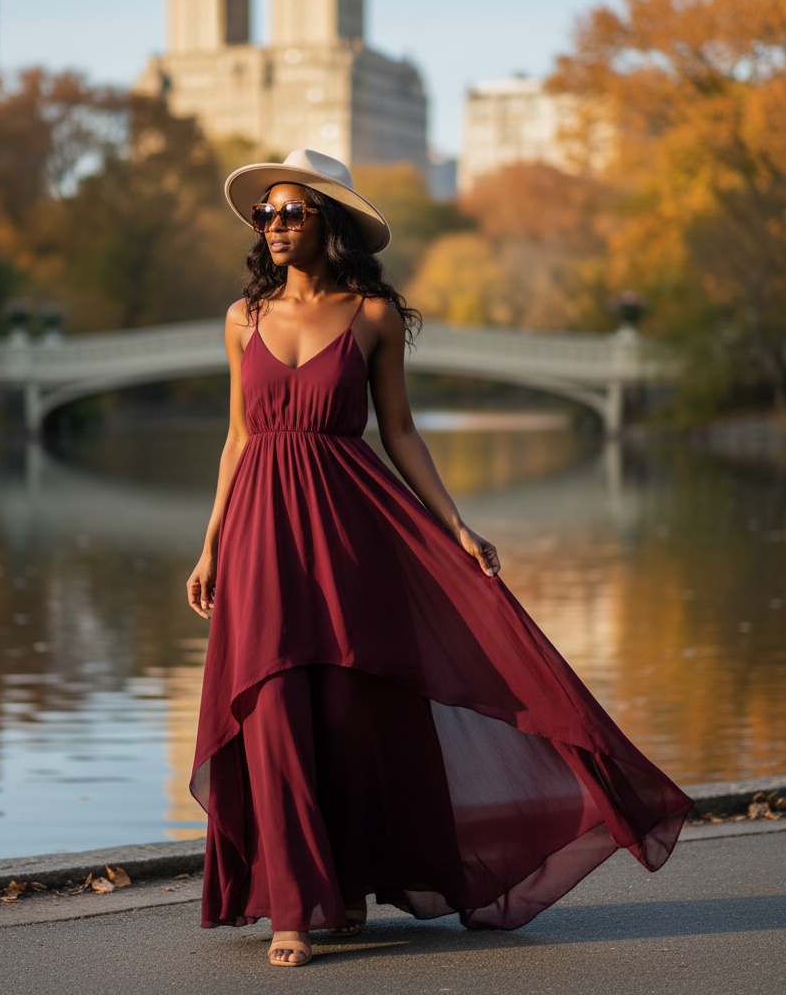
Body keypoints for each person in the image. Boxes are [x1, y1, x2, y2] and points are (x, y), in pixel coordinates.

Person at [186, 150, 692, 968]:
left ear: (330, 222)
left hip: (351, 531)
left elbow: (402, 432)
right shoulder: (241, 319)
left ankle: (344, 883)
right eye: (265, 215)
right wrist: (209, 543)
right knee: (273, 706)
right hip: (258, 535)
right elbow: (239, 438)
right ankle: (291, 908)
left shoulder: (373, 317)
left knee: (350, 714)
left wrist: (453, 524)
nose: (274, 225)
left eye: (291, 212)